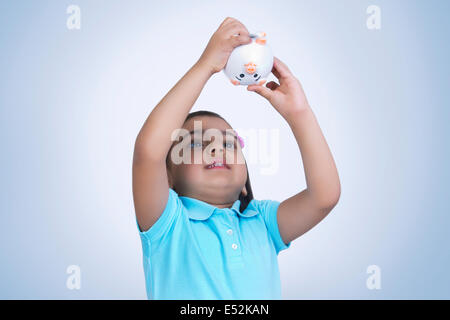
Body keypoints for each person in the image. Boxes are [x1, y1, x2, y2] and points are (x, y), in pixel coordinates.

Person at [132, 17, 341, 299]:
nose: (217, 148)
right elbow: (148, 151)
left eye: (229, 143)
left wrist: (299, 115)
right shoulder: (168, 223)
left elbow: (324, 196)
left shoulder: (262, 222)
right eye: (195, 143)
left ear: (245, 183)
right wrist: (206, 65)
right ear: (167, 177)